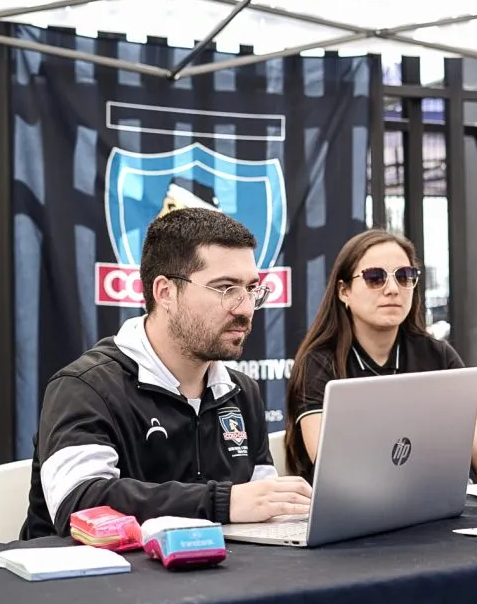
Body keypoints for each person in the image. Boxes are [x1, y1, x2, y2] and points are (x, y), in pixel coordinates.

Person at [21, 208, 312, 539]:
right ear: (165, 292)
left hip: (216, 582)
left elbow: (262, 503)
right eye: (226, 288)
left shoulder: (240, 391)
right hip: (85, 584)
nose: (245, 308)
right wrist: (222, 502)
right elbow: (80, 504)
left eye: (251, 289)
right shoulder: (85, 386)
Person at [283, 229, 477, 483]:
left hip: (437, 510)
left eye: (404, 276)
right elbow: (331, 468)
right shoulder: (319, 364)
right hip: (355, 514)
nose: (392, 289)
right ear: (344, 291)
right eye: (375, 278)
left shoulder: (437, 356)